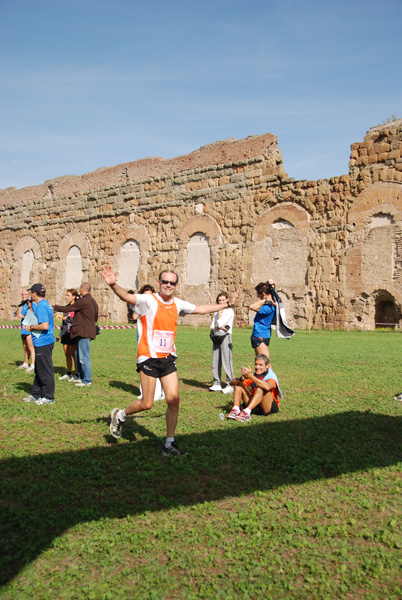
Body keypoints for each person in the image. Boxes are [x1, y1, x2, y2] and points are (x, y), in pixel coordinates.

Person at [100, 264, 239, 457]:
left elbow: (200, 309)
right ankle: (121, 415)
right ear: (159, 283)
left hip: (168, 359)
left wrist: (227, 305)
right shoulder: (149, 300)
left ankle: (169, 445)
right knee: (147, 403)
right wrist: (114, 285)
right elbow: (128, 297)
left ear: (176, 285)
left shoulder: (177, 304)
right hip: (148, 357)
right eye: (164, 282)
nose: (168, 285)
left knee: (173, 401)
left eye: (172, 283)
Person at [51, 282, 98, 387]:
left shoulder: (84, 300)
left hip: (84, 332)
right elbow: (95, 316)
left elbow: (69, 309)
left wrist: (55, 306)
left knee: (84, 356)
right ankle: (81, 377)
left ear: (82, 289)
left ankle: (87, 380)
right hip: (83, 331)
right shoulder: (93, 301)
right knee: (78, 354)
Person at [21, 283, 55, 405]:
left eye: (31, 293)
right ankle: (36, 394)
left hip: (43, 341)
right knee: (39, 369)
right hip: (43, 341)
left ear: (35, 294)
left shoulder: (41, 306)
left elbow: (44, 325)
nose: (30, 295)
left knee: (45, 370)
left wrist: (30, 327)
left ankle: (48, 397)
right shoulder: (45, 304)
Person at [226, 354, 282, 422]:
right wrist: (241, 378)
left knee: (260, 387)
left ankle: (246, 412)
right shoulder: (253, 375)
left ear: (267, 366)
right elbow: (231, 383)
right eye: (256, 364)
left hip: (268, 407)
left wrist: (251, 377)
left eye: (260, 365)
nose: (257, 367)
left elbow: (267, 387)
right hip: (256, 406)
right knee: (239, 384)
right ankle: (236, 410)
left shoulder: (271, 376)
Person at [135, 284, 165, 403]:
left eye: (149, 295)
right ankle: (143, 392)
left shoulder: (156, 306)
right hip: (142, 340)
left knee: (155, 366)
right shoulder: (140, 306)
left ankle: (158, 392)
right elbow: (134, 316)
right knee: (143, 366)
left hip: (155, 341)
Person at [209, 292, 235, 394]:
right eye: (219, 301)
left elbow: (219, 323)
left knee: (226, 361)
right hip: (216, 336)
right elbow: (212, 326)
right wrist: (219, 326)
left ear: (227, 300)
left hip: (225, 337)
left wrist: (219, 322)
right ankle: (216, 383)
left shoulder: (230, 312)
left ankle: (230, 384)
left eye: (223, 300)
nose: (221, 302)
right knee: (216, 361)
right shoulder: (216, 313)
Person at [250, 280, 277, 360]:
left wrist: (265, 300)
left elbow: (252, 307)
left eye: (259, 295)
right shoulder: (270, 303)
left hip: (260, 335)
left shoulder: (269, 307)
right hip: (260, 335)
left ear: (263, 294)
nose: (259, 298)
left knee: (266, 364)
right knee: (263, 363)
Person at [58, 289, 80, 382]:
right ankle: (68, 373)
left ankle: (76, 374)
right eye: (66, 296)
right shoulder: (66, 308)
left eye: (68, 295)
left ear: (74, 296)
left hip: (73, 333)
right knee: (67, 354)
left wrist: (71, 318)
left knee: (73, 355)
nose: (66, 297)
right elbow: (63, 323)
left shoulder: (77, 308)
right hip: (65, 334)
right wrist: (60, 334)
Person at [16, 289, 36, 373]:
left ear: (28, 295)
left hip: (29, 329)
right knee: (25, 347)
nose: (23, 296)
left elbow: (33, 316)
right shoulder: (24, 305)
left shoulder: (31, 304)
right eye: (22, 294)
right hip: (23, 329)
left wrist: (22, 316)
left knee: (31, 347)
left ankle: (33, 365)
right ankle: (25, 363)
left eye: (25, 294)